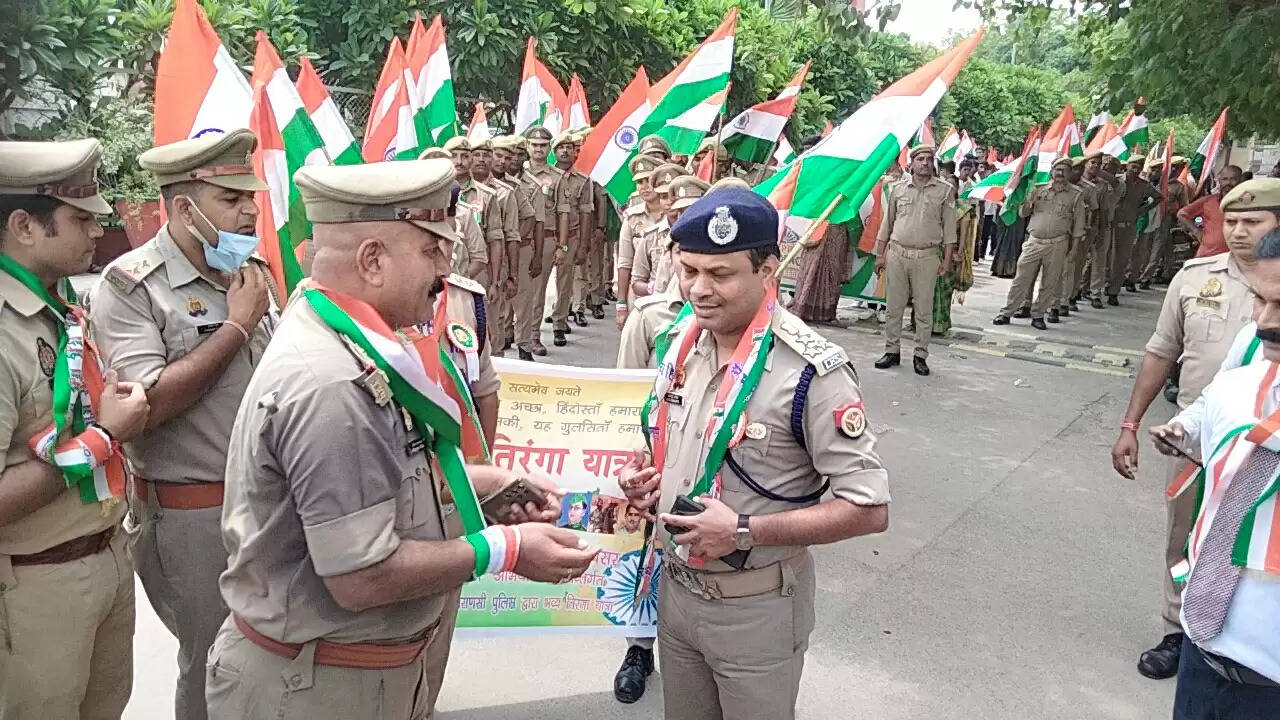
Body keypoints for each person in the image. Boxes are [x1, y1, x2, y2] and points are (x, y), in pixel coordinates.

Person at [205, 158, 597, 719]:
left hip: (347, 673)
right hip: (316, 688)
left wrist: (495, 484)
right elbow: (361, 577)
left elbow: (396, 480)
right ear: (372, 260)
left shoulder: (354, 345)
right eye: (432, 250)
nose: (446, 269)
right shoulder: (332, 383)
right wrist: (505, 549)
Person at [618, 187, 890, 720]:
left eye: (721, 275)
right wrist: (643, 472)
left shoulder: (811, 372)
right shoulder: (682, 345)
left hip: (756, 609)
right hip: (675, 596)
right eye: (688, 269)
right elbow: (664, 438)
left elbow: (869, 508)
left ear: (768, 268)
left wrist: (745, 529)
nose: (700, 289)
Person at [87, 129, 274, 720]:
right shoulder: (130, 286)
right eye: (230, 199)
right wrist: (235, 329)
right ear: (183, 206)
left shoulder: (250, 270)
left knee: (264, 659)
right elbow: (146, 406)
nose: (249, 209)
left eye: (251, 196)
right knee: (213, 662)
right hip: (194, 512)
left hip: (267, 500)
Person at [0, 138, 151, 719]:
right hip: (35, 583)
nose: (96, 233)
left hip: (105, 555)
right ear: (24, 226)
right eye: (80, 219)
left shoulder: (60, 305)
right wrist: (104, 438)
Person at [1110, 177, 1279, 681]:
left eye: (1254, 221)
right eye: (1232, 221)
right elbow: (1162, 351)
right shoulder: (1195, 276)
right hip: (1202, 438)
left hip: (1264, 453)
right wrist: (1134, 424)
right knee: (1189, 538)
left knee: (1257, 553)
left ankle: (1245, 648)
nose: (1240, 231)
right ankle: (1183, 632)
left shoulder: (1269, 287)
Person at [1149, 226, 1280, 718]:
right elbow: (1203, 421)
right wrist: (1180, 430)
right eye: (1261, 300)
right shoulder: (1237, 389)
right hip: (1206, 652)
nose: (1264, 322)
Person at [873, 145, 956, 376]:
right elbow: (886, 224)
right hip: (898, 254)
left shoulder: (945, 191)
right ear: (912, 163)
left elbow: (950, 230)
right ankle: (892, 350)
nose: (925, 163)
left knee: (923, 309)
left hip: (927, 257)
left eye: (929, 159)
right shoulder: (898, 189)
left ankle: (920, 355)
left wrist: (947, 260)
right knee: (894, 307)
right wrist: (880, 255)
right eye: (920, 159)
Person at [992, 158, 1085, 330]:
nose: (1060, 173)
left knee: (1049, 282)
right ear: (1051, 171)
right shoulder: (1039, 189)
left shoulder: (1076, 194)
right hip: (1034, 241)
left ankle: (1038, 314)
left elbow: (1079, 225)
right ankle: (1007, 312)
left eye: (1065, 170)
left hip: (1058, 243)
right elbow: (1022, 213)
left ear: (1070, 173)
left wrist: (1074, 249)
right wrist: (1029, 201)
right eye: (1057, 169)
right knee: (1021, 279)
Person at [463, 137, 520, 355]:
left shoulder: (500, 194)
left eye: (486, 155)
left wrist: (505, 278)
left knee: (490, 328)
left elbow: (507, 237)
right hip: (458, 266)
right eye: (475, 155)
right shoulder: (449, 192)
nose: (480, 160)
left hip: (487, 269)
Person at [516, 127, 565, 358]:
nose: (538, 149)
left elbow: (563, 212)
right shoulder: (516, 173)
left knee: (536, 291)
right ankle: (509, 332)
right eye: (534, 144)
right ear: (527, 146)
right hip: (516, 239)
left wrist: (562, 245)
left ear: (549, 148)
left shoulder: (557, 177)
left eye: (543, 145)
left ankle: (533, 336)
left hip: (545, 239)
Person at [550, 131, 595, 344]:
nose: (565, 151)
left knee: (565, 281)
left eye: (569, 147)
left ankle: (559, 322)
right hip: (546, 237)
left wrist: (583, 246)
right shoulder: (545, 178)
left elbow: (587, 212)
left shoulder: (583, 181)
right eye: (561, 147)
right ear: (554, 152)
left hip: (571, 238)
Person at [615, 154, 665, 329]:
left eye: (648, 180)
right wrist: (621, 305)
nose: (644, 187)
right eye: (639, 182)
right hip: (639, 294)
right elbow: (624, 262)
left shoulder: (675, 215)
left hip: (669, 296)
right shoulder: (632, 217)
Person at [1108, 156, 1162, 305]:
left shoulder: (1144, 185)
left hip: (1129, 225)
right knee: (1106, 258)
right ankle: (1095, 289)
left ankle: (1114, 291)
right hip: (1111, 224)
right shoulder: (1117, 180)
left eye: (1138, 167)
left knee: (1122, 259)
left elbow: (1158, 197)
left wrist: (1142, 210)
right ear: (1128, 166)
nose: (1135, 170)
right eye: (1133, 166)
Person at [1058, 156, 1101, 316]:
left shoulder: (1088, 189)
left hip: (1080, 233)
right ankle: (1056, 298)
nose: (1078, 171)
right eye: (1075, 168)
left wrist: (1090, 231)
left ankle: (1070, 297)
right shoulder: (1059, 186)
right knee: (1057, 267)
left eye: (1080, 168)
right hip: (1060, 232)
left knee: (1075, 267)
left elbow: (1095, 210)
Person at [1140, 157, 1191, 288]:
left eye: (1177, 167)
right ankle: (1140, 272)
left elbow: (1184, 206)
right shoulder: (1149, 182)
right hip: (1146, 217)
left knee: (1157, 248)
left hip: (1165, 218)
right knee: (1145, 246)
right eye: (1172, 166)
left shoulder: (1177, 186)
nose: (1174, 169)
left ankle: (1146, 276)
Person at [1179, 165, 1244, 259]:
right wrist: (1196, 231)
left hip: (1234, 259)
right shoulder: (1208, 201)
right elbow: (1182, 214)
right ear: (1220, 181)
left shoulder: (1248, 204)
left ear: (1241, 181)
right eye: (1225, 179)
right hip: (1207, 257)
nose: (1228, 183)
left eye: (1233, 179)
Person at [1083, 153, 1120, 309]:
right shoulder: (1076, 181)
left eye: (1100, 164)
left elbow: (1104, 209)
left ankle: (1095, 293)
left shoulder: (1105, 184)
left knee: (1099, 261)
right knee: (1079, 261)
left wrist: (1102, 229)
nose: (1097, 166)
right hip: (1080, 227)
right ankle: (1075, 291)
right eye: (1093, 163)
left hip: (1098, 226)